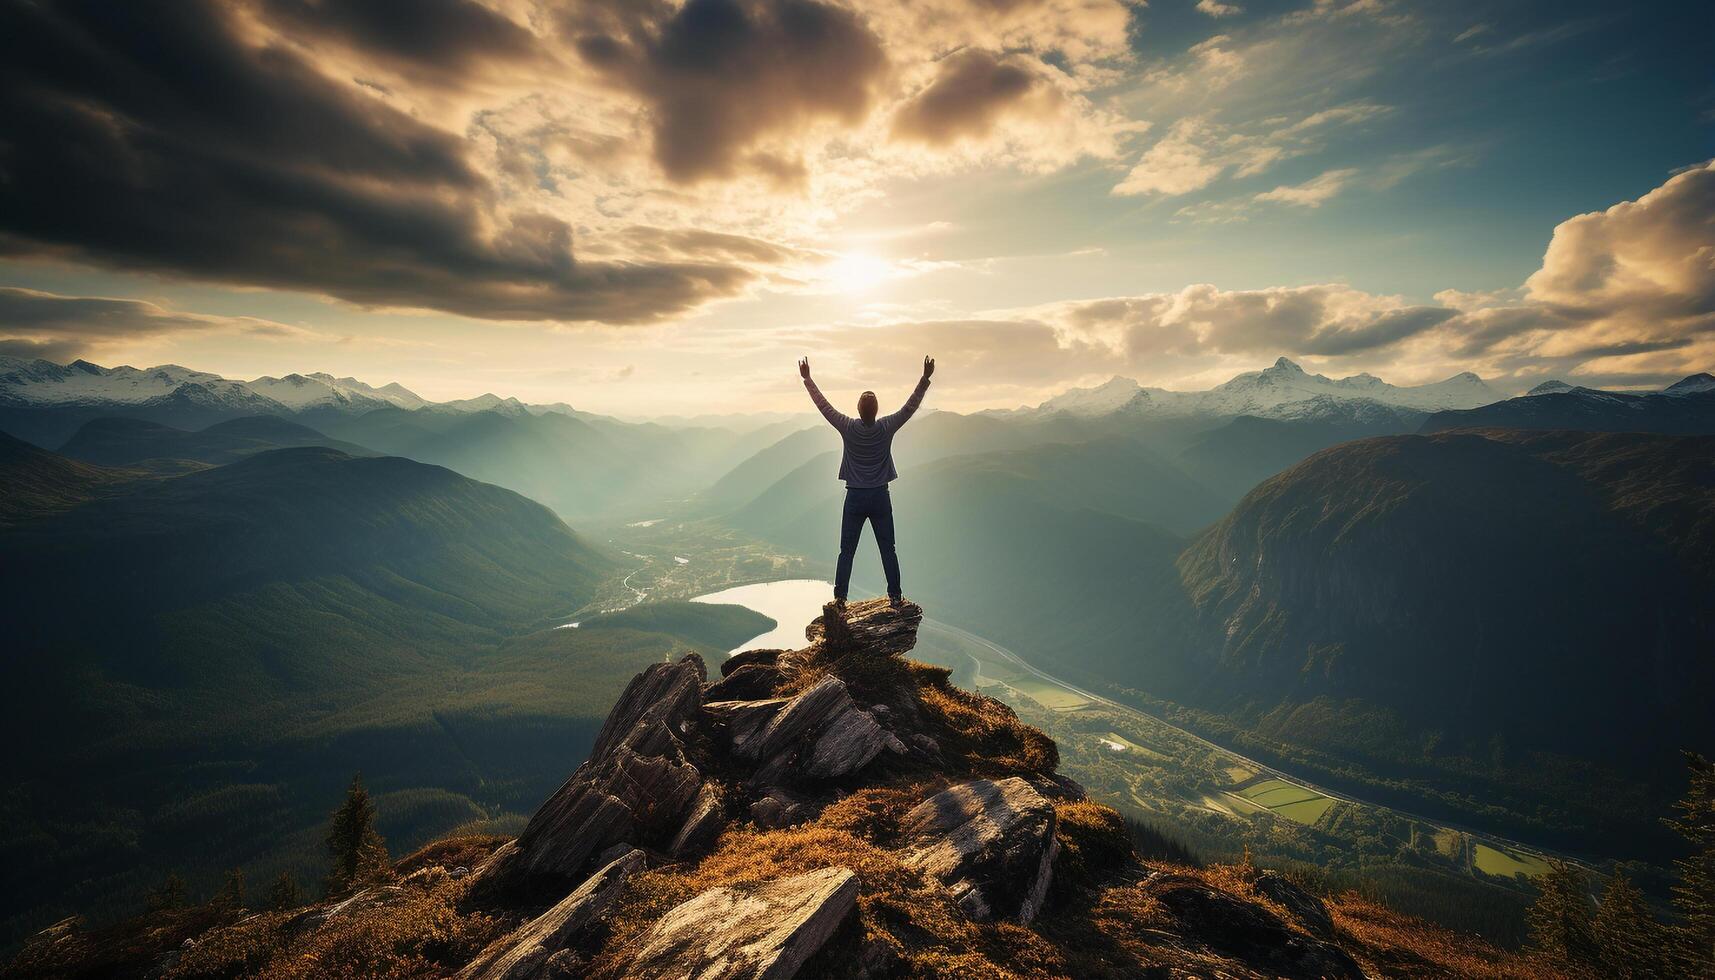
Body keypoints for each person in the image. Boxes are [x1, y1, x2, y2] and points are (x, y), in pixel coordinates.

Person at [798, 355, 934, 609]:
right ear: (876, 411)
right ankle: (895, 596)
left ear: (858, 410)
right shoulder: (886, 427)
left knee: (846, 551)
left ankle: (839, 599)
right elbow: (909, 408)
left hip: (855, 498)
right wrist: (925, 379)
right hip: (881, 497)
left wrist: (807, 379)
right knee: (887, 550)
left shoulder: (848, 427)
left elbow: (824, 406)